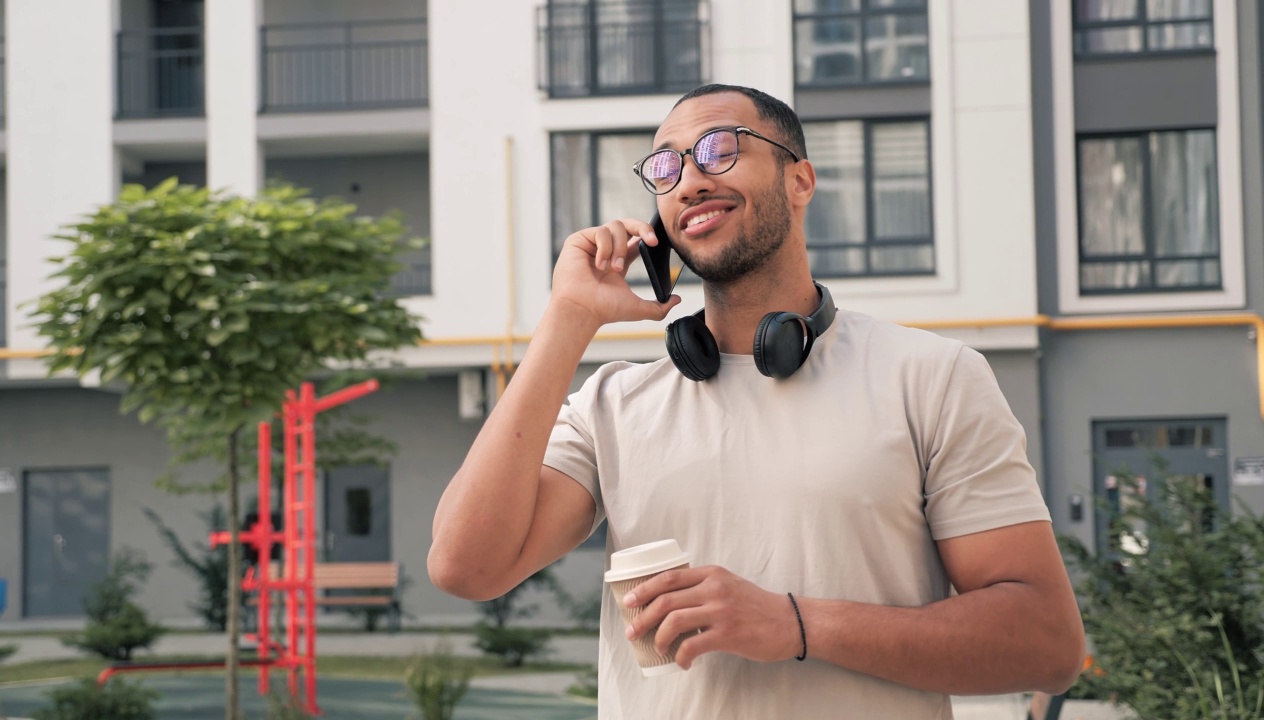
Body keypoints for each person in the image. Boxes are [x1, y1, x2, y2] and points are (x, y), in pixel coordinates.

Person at [428, 84, 1085, 718]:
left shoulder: (932, 378)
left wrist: (795, 624)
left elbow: (1046, 646)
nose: (689, 180)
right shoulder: (612, 404)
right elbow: (466, 567)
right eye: (666, 168)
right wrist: (566, 321)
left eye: (720, 148)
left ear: (800, 181)